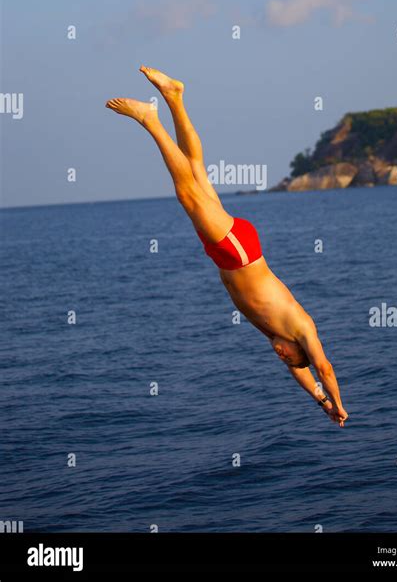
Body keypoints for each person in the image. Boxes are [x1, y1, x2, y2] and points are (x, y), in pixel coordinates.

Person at [106, 66, 349, 427]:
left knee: (197, 171)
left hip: (232, 251)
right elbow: (322, 367)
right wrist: (338, 402)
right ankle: (150, 119)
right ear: (296, 349)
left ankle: (174, 96)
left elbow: (303, 373)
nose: (280, 358)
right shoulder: (300, 327)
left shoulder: (272, 332)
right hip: (239, 252)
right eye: (287, 358)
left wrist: (319, 402)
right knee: (188, 194)